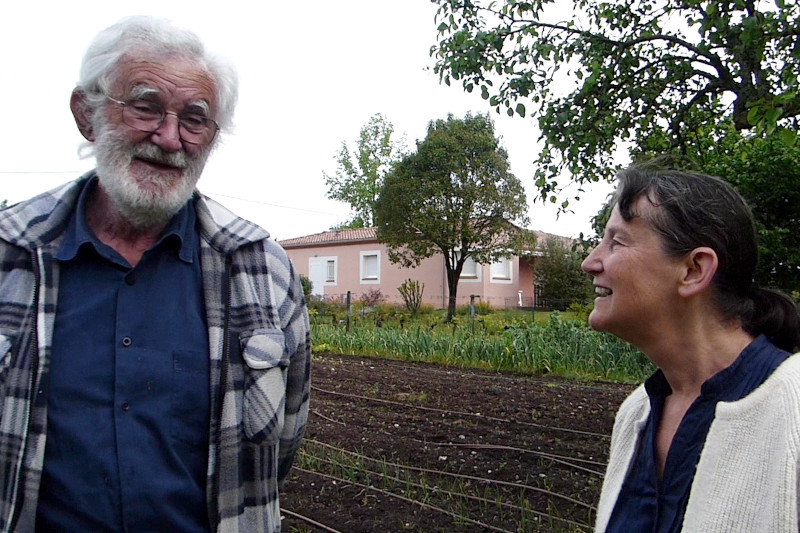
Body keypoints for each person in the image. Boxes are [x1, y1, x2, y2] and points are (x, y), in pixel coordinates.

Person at [0, 16, 311, 532]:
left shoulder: (260, 270)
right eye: (145, 106)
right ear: (87, 113)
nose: (169, 139)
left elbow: (278, 450)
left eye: (195, 119)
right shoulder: (11, 254)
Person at [583, 164, 800, 532]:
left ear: (695, 269)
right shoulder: (635, 413)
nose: (589, 262)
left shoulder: (793, 409)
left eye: (616, 242)